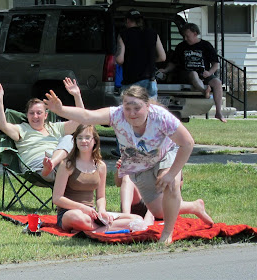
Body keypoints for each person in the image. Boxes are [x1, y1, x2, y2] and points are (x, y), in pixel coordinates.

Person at [43, 84, 209, 244]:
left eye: (137, 108)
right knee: (158, 210)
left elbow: (187, 143)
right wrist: (61, 110)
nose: (132, 113)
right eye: (127, 108)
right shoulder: (117, 115)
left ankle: (167, 233)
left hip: (165, 153)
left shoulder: (161, 117)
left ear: (147, 105)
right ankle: (195, 206)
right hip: (140, 162)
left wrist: (172, 173)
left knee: (170, 184)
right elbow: (87, 116)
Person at [0, 78, 84, 182]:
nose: (35, 116)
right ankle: (51, 165)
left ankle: (52, 163)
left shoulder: (55, 127)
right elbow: (2, 125)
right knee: (74, 167)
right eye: (31, 113)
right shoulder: (22, 129)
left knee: (69, 139)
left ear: (46, 115)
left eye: (39, 113)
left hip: (58, 164)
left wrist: (77, 95)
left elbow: (80, 120)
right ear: (27, 115)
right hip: (36, 167)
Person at [53, 124, 143, 232]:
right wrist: (82, 208)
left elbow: (100, 197)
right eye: (80, 138)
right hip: (70, 213)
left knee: (137, 218)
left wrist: (102, 210)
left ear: (95, 140)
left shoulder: (100, 166)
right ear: (75, 141)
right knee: (76, 217)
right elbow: (57, 198)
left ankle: (94, 230)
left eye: (87, 138)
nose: (83, 141)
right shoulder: (67, 164)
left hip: (92, 214)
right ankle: (102, 230)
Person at [159, 23, 227, 123]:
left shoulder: (206, 45)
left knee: (217, 82)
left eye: (187, 36)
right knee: (193, 74)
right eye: (184, 36)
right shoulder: (181, 46)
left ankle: (218, 112)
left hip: (204, 74)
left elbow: (215, 64)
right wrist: (165, 70)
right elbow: (173, 63)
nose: (185, 38)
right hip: (186, 74)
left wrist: (209, 72)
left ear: (195, 33)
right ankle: (204, 92)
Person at [114, 170, 213, 228]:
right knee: (127, 177)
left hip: (159, 204)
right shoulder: (136, 154)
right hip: (140, 201)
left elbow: (174, 187)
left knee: (160, 187)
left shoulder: (166, 156)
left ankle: (149, 218)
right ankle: (125, 215)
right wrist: (121, 171)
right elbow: (119, 183)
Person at [115, 8, 166, 99]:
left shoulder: (123, 34)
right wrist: (148, 60)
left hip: (131, 82)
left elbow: (119, 59)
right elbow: (162, 57)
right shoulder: (153, 34)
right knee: (150, 111)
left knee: (131, 111)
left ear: (127, 21)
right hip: (150, 81)